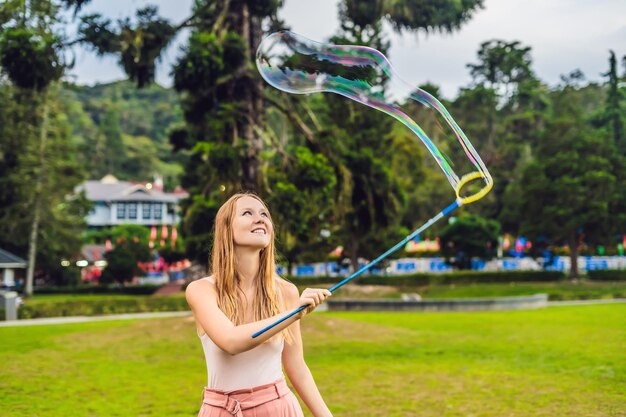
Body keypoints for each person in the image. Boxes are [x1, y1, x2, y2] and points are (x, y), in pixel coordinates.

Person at [185, 192, 333, 417]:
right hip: (222, 410)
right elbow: (230, 341)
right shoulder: (201, 290)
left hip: (279, 407)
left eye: (265, 214)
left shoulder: (286, 292)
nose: (260, 218)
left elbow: (297, 367)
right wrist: (293, 313)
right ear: (227, 228)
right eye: (247, 213)